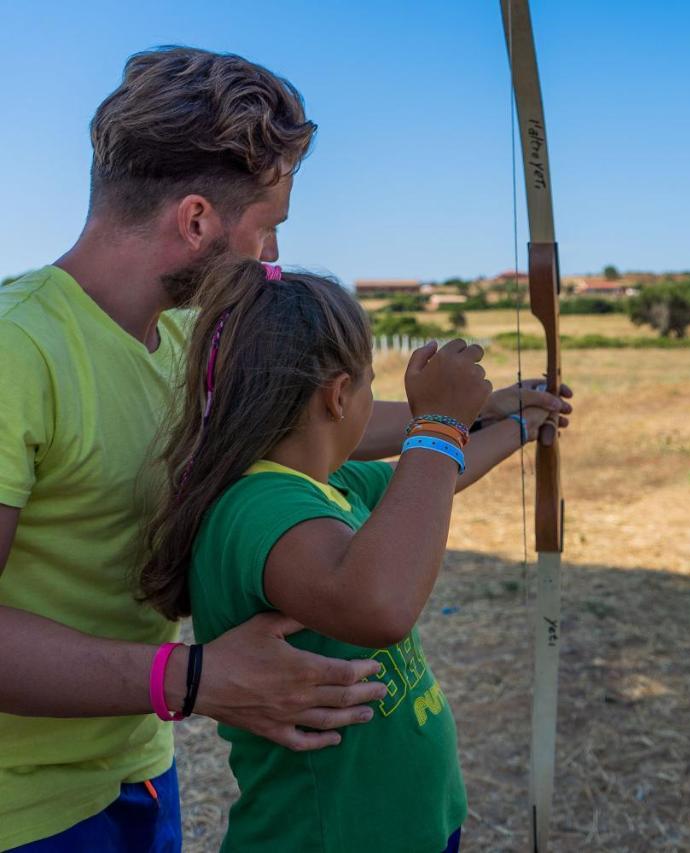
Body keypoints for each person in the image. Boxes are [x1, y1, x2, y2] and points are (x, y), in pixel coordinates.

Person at [0, 46, 570, 850]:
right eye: (267, 227)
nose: (270, 257)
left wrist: (484, 418)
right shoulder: (15, 350)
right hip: (24, 814)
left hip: (134, 773)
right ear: (197, 219)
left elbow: (317, 426)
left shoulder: (185, 340)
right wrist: (193, 678)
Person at [139, 260, 535, 852]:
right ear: (340, 396)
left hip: (408, 825)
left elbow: (434, 481)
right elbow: (378, 606)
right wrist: (440, 424)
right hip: (326, 837)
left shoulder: (329, 483)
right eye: (372, 383)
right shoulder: (258, 506)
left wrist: (522, 423)